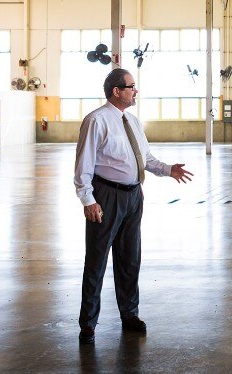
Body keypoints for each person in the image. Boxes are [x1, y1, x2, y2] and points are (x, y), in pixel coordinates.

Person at [73, 68, 194, 344]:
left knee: (130, 258)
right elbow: (83, 164)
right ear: (116, 91)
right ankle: (88, 322)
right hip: (106, 196)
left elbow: (146, 158)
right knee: (97, 259)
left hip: (133, 196)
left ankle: (129, 314)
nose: (135, 91)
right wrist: (88, 199)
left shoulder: (133, 122)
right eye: (131, 87)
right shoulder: (96, 120)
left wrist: (168, 169)